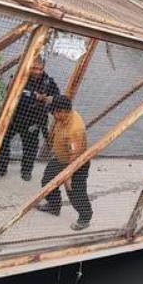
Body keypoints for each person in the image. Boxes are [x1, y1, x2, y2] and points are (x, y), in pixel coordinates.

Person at [0, 58, 60, 181]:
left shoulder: (48, 81)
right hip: (14, 117)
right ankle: (0, 169)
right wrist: (34, 96)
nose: (37, 71)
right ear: (28, 67)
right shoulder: (19, 77)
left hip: (33, 120)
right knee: (2, 142)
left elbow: (56, 96)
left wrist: (46, 99)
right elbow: (14, 92)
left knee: (30, 147)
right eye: (34, 68)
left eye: (40, 69)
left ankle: (26, 171)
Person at [36, 95, 92, 231]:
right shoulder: (63, 116)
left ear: (63, 112)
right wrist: (44, 97)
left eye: (54, 112)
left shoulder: (75, 130)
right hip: (60, 158)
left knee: (75, 192)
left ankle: (85, 217)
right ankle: (54, 206)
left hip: (76, 164)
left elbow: (75, 154)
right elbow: (51, 99)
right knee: (47, 183)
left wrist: (68, 175)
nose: (52, 115)